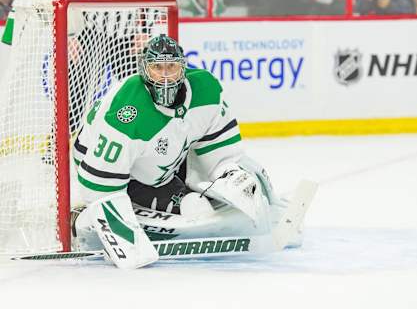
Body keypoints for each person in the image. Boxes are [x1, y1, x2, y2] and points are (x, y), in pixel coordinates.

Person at [70, 35, 295, 269]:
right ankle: (81, 218)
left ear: (183, 68)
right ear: (144, 70)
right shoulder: (127, 113)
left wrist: (232, 176)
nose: (165, 76)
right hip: (122, 174)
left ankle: (274, 209)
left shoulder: (206, 91)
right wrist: (122, 237)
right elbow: (98, 185)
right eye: (157, 67)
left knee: (248, 174)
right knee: (195, 207)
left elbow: (222, 154)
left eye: (172, 67)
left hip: (166, 159)